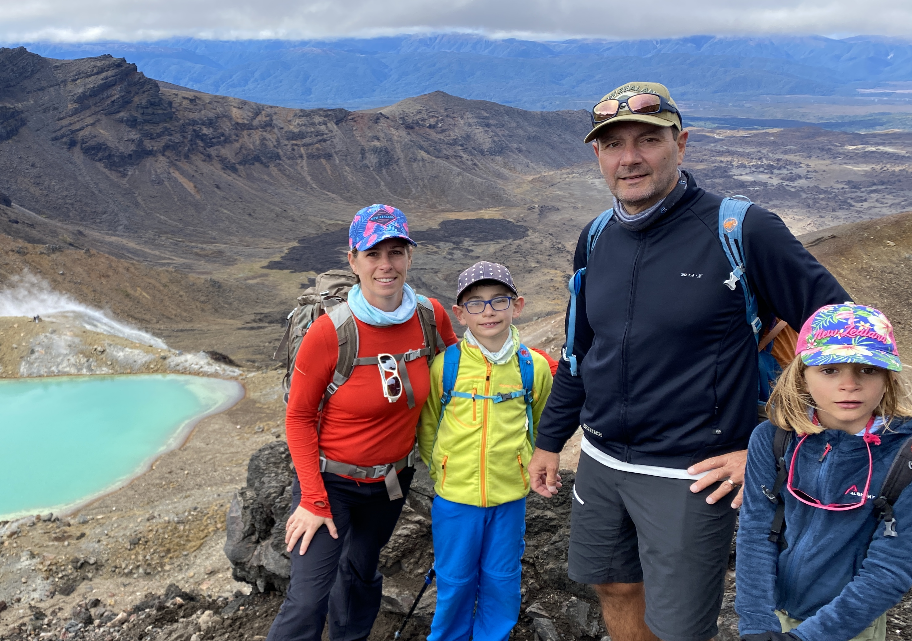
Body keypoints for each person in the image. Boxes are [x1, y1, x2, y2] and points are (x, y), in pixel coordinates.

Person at [526, 81, 851, 641]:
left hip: (693, 474)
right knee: (614, 586)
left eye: (647, 140)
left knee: (679, 626)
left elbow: (847, 339)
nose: (630, 158)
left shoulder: (743, 231)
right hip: (603, 461)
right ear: (597, 155)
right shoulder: (596, 237)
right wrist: (550, 440)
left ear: (682, 143)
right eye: (613, 144)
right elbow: (581, 353)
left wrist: (778, 451)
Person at [266, 204, 458, 641]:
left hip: (391, 482)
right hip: (329, 484)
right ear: (353, 260)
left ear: (410, 256)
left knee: (360, 574)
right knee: (309, 596)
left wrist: (539, 364)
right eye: (373, 253)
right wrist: (312, 498)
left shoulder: (430, 316)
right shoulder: (330, 332)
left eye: (395, 251)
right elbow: (297, 417)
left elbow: (465, 366)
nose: (385, 265)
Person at [736, 303, 912, 641]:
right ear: (801, 374)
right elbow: (756, 533)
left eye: (867, 369)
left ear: (888, 376)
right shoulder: (772, 438)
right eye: (830, 370)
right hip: (775, 609)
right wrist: (756, 622)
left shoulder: (905, 457)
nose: (849, 385)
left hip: (850, 623)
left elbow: (890, 568)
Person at [417, 261, 555, 641]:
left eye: (499, 300)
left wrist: (528, 469)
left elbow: (542, 426)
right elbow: (429, 427)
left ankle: (494, 636)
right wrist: (443, 472)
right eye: (475, 303)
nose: (489, 310)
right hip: (455, 499)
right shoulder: (446, 367)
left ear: (518, 305)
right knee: (455, 578)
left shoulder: (534, 367)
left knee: (502, 577)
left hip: (510, 497)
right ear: (460, 314)